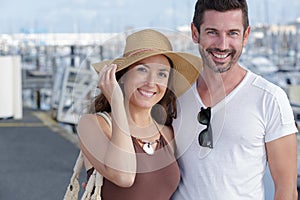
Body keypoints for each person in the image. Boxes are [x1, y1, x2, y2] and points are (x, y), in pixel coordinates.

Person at [171, 0, 298, 199]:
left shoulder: (270, 99)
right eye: (212, 32)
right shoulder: (175, 97)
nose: (222, 45)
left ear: (245, 36)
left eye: (232, 33)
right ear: (195, 33)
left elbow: (287, 191)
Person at [77, 29, 202, 200]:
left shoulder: (166, 134)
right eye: (142, 70)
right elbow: (124, 176)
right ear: (123, 76)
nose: (151, 82)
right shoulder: (93, 125)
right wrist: (116, 102)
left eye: (162, 74)